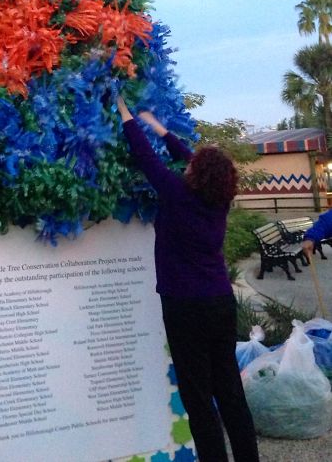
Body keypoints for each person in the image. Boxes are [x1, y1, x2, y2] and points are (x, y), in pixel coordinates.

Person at [116, 96, 260, 462]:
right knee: (230, 392)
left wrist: (126, 113)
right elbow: (194, 160)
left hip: (185, 308)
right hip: (220, 303)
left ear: (196, 174)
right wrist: (161, 128)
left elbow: (145, 157)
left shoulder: (177, 193)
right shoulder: (219, 199)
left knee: (198, 399)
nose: (188, 164)